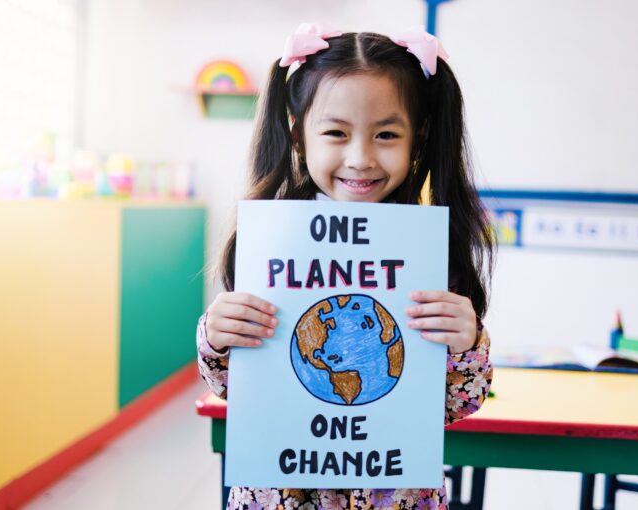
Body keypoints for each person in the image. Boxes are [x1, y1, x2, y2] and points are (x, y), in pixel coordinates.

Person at [197, 23, 494, 510]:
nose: (361, 158)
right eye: (336, 132)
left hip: (395, 495)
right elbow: (239, 387)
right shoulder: (270, 241)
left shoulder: (428, 251)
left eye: (386, 134)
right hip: (281, 495)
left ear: (417, 139)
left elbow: (454, 405)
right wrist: (217, 336)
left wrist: (467, 345)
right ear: (298, 136)